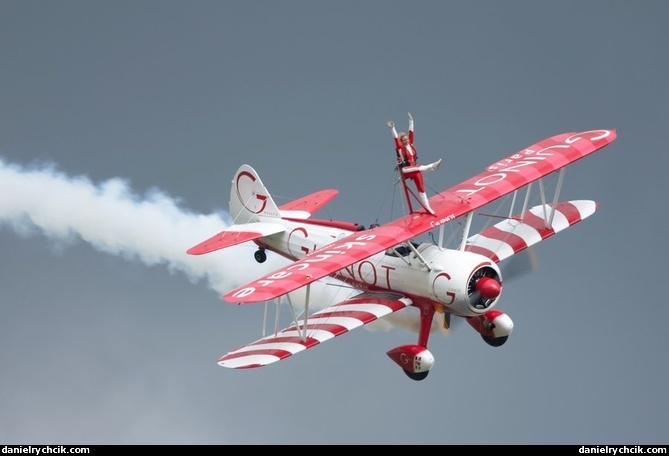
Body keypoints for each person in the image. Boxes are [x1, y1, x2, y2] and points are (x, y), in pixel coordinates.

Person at [387, 112, 442, 215]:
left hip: (415, 167)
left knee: (421, 189)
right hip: (406, 170)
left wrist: (411, 121)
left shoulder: (411, 145)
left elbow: (411, 132)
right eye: (404, 140)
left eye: (407, 139)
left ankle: (428, 208)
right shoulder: (400, 148)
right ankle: (432, 166)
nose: (407, 140)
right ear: (401, 142)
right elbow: (395, 139)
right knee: (420, 168)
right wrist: (392, 128)